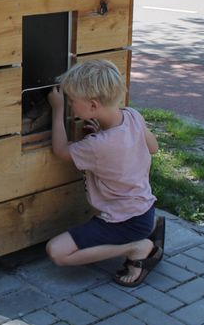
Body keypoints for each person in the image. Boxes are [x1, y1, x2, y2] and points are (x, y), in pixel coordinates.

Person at [45, 59, 164, 287]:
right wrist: (106, 134)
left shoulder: (97, 145)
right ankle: (147, 229)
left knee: (57, 252)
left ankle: (134, 248)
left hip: (124, 221)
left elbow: (61, 151)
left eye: (71, 100)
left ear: (93, 106)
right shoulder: (132, 116)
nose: (69, 104)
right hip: (144, 210)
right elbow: (154, 148)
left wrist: (57, 109)